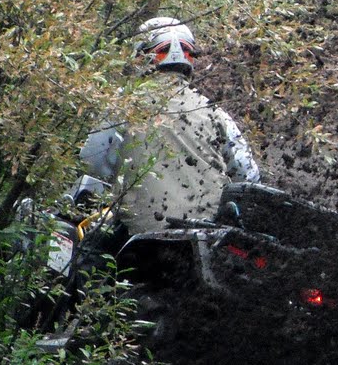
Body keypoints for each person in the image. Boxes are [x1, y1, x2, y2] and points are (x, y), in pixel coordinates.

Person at [76, 16, 261, 234]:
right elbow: (249, 176)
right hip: (208, 236)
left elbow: (90, 161)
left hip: (143, 235)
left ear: (141, 56)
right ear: (188, 59)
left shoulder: (124, 103)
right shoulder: (215, 113)